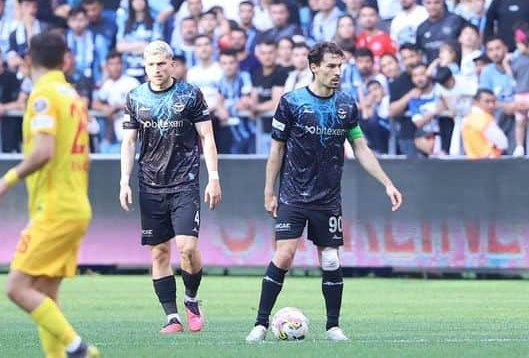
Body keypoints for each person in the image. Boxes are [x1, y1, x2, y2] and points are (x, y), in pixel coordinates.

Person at [247, 42, 402, 343]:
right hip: (292, 193)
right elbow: (276, 149)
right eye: (331, 66)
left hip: (328, 198)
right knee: (285, 255)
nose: (337, 72)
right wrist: (269, 190)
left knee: (330, 260)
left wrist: (387, 183)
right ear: (314, 67)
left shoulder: (346, 105)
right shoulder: (291, 103)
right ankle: (261, 324)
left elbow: (360, 147)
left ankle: (333, 327)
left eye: (340, 66)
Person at [0, 32, 100, 358]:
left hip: (54, 207)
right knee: (45, 294)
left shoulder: (43, 95)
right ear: (65, 60)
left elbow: (44, 150)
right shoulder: (72, 95)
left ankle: (80, 350)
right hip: (75, 205)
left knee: (16, 288)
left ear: (29, 60)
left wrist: (8, 179)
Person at [119, 40, 221, 334]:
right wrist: (124, 180)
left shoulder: (190, 95)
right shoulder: (135, 97)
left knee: (187, 248)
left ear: (172, 64)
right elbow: (129, 141)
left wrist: (213, 176)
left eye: (161, 64)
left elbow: (207, 138)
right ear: (145, 67)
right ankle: (172, 317)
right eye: (151, 65)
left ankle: (191, 300)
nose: (157, 69)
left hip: (185, 182)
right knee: (159, 253)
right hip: (150, 184)